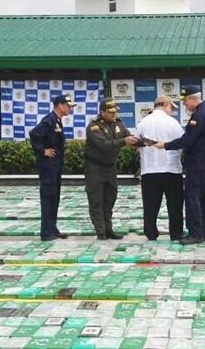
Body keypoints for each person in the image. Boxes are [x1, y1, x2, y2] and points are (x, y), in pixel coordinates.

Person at [154, 85, 205, 245]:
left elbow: (187, 140)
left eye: (185, 100)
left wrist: (165, 145)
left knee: (192, 198)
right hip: (204, 163)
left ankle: (195, 234)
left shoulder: (199, 116)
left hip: (197, 164)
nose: (184, 104)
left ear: (194, 98)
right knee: (202, 198)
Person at [84, 97, 138, 240]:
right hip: (95, 168)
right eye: (110, 112)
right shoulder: (94, 127)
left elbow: (127, 136)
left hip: (110, 168)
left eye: (115, 112)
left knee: (110, 199)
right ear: (102, 112)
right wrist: (124, 141)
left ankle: (108, 229)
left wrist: (138, 141)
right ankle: (101, 232)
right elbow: (105, 145)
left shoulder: (118, 124)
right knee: (96, 200)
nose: (114, 115)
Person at [136, 95, 185, 241]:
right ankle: (176, 233)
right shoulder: (172, 122)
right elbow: (182, 142)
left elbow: (136, 141)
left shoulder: (143, 122)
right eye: (171, 107)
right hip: (171, 169)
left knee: (150, 205)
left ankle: (150, 233)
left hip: (149, 169)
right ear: (164, 105)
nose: (172, 111)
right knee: (175, 205)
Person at [30, 94, 75, 241]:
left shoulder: (57, 121)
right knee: (48, 198)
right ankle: (46, 232)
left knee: (54, 198)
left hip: (55, 166)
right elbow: (34, 134)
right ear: (59, 105)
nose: (69, 109)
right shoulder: (49, 120)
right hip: (48, 167)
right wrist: (43, 151)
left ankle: (52, 228)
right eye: (67, 106)